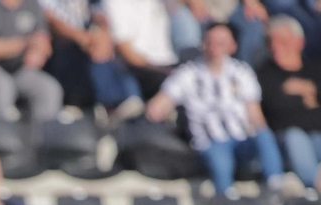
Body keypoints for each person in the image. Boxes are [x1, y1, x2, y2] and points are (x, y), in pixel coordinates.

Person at [147, 21, 286, 191]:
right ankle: (226, 197)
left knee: (264, 136)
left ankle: (276, 186)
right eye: (210, 41)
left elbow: (255, 115)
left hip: (240, 139)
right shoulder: (188, 74)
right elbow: (160, 103)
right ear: (203, 43)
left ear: (232, 46)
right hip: (209, 141)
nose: (215, 47)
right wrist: (158, 111)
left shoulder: (241, 72)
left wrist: (261, 135)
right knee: (220, 159)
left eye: (221, 43)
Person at [41, 0, 148, 114]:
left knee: (105, 51)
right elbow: (49, 19)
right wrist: (82, 38)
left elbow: (99, 16)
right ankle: (96, 105)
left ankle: (121, 102)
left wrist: (101, 33)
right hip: (59, 49)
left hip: (89, 44)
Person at [0, 0, 66, 122]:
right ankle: (1, 132)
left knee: (49, 88)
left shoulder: (32, 4)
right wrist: (25, 44)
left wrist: (37, 52)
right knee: (3, 86)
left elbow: (43, 41)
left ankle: (44, 132)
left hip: (19, 68)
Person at [259, 15, 321, 190]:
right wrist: (308, 97)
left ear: (299, 42)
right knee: (295, 136)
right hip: (287, 138)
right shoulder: (265, 74)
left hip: (317, 134)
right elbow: (276, 111)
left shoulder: (314, 69)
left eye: (283, 42)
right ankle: (313, 187)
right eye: (271, 42)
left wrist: (308, 91)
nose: (275, 47)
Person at [106, 0, 183, 98]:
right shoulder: (116, 3)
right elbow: (126, 51)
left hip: (169, 63)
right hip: (143, 69)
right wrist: (164, 71)